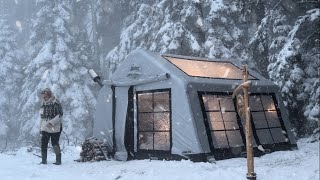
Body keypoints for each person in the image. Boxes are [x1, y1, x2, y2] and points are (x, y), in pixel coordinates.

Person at [39, 88, 63, 165]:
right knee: (43, 144)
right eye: (43, 96)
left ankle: (58, 160)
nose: (43, 97)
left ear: (49, 95)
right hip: (45, 127)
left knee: (55, 143)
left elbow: (59, 115)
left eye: (45, 96)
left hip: (55, 128)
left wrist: (51, 123)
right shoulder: (43, 103)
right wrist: (41, 127)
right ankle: (43, 161)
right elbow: (42, 117)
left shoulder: (56, 103)